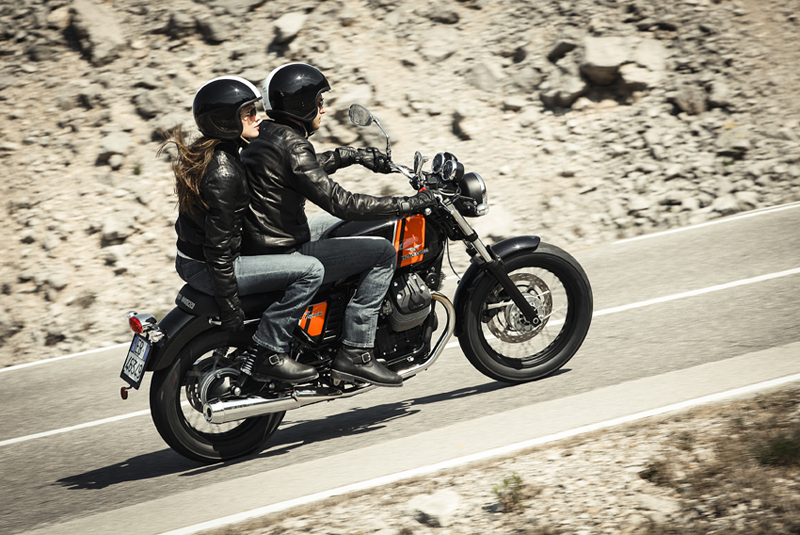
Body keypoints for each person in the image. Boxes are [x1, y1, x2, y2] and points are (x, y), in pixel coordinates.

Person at [241, 63, 437, 388]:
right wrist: (410, 204)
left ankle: (335, 315)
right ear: (302, 105)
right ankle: (356, 352)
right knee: (382, 252)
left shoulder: (269, 134)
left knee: (342, 225)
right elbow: (341, 201)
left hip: (271, 235)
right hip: (283, 246)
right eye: (319, 101)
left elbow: (305, 169)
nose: (323, 108)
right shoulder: (293, 144)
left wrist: (352, 155)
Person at [163, 75, 322, 384]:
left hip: (196, 259)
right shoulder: (223, 172)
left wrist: (342, 158)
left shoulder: (220, 152)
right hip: (209, 267)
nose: (257, 117)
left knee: (317, 230)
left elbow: (282, 171)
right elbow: (218, 249)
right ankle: (270, 353)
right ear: (226, 120)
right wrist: (230, 307)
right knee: (311, 271)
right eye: (248, 113)